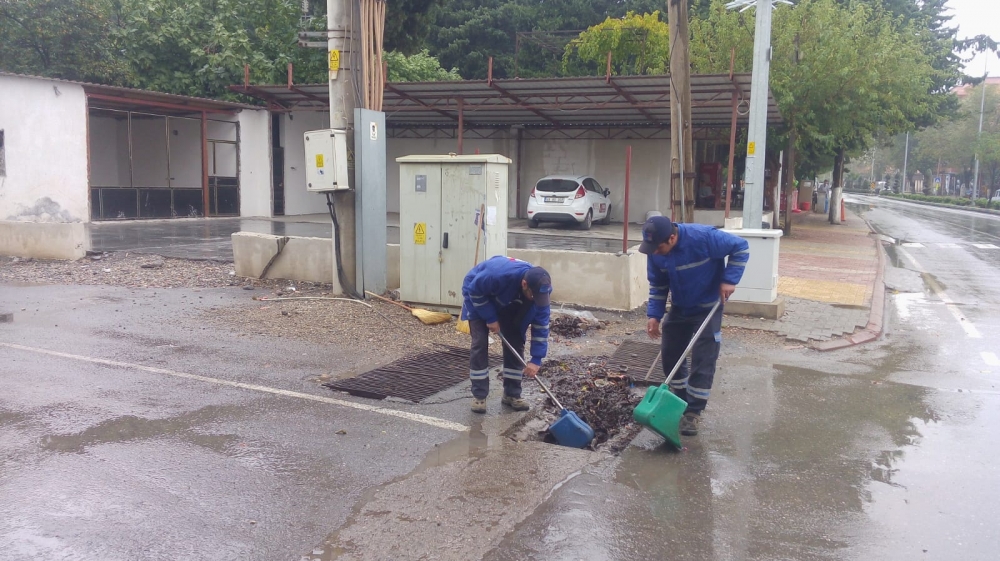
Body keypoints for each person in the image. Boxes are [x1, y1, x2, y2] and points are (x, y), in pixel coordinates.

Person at [638, 216, 749, 437]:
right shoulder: (655, 253)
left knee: (703, 356)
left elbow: (741, 247)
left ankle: (694, 412)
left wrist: (730, 279)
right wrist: (654, 316)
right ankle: (679, 398)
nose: (655, 252)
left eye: (658, 247)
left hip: (708, 306)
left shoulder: (704, 237)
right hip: (680, 307)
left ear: (672, 237)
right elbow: (658, 285)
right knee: (670, 351)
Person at [461, 256, 552, 414]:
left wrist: (536, 359)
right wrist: (490, 317)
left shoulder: (540, 295)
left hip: (507, 301)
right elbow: (474, 291)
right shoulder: (497, 275)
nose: (537, 300)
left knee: (515, 340)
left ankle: (511, 394)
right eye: (533, 296)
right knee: (480, 343)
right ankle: (479, 395)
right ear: (525, 284)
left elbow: (541, 327)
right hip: (478, 295)